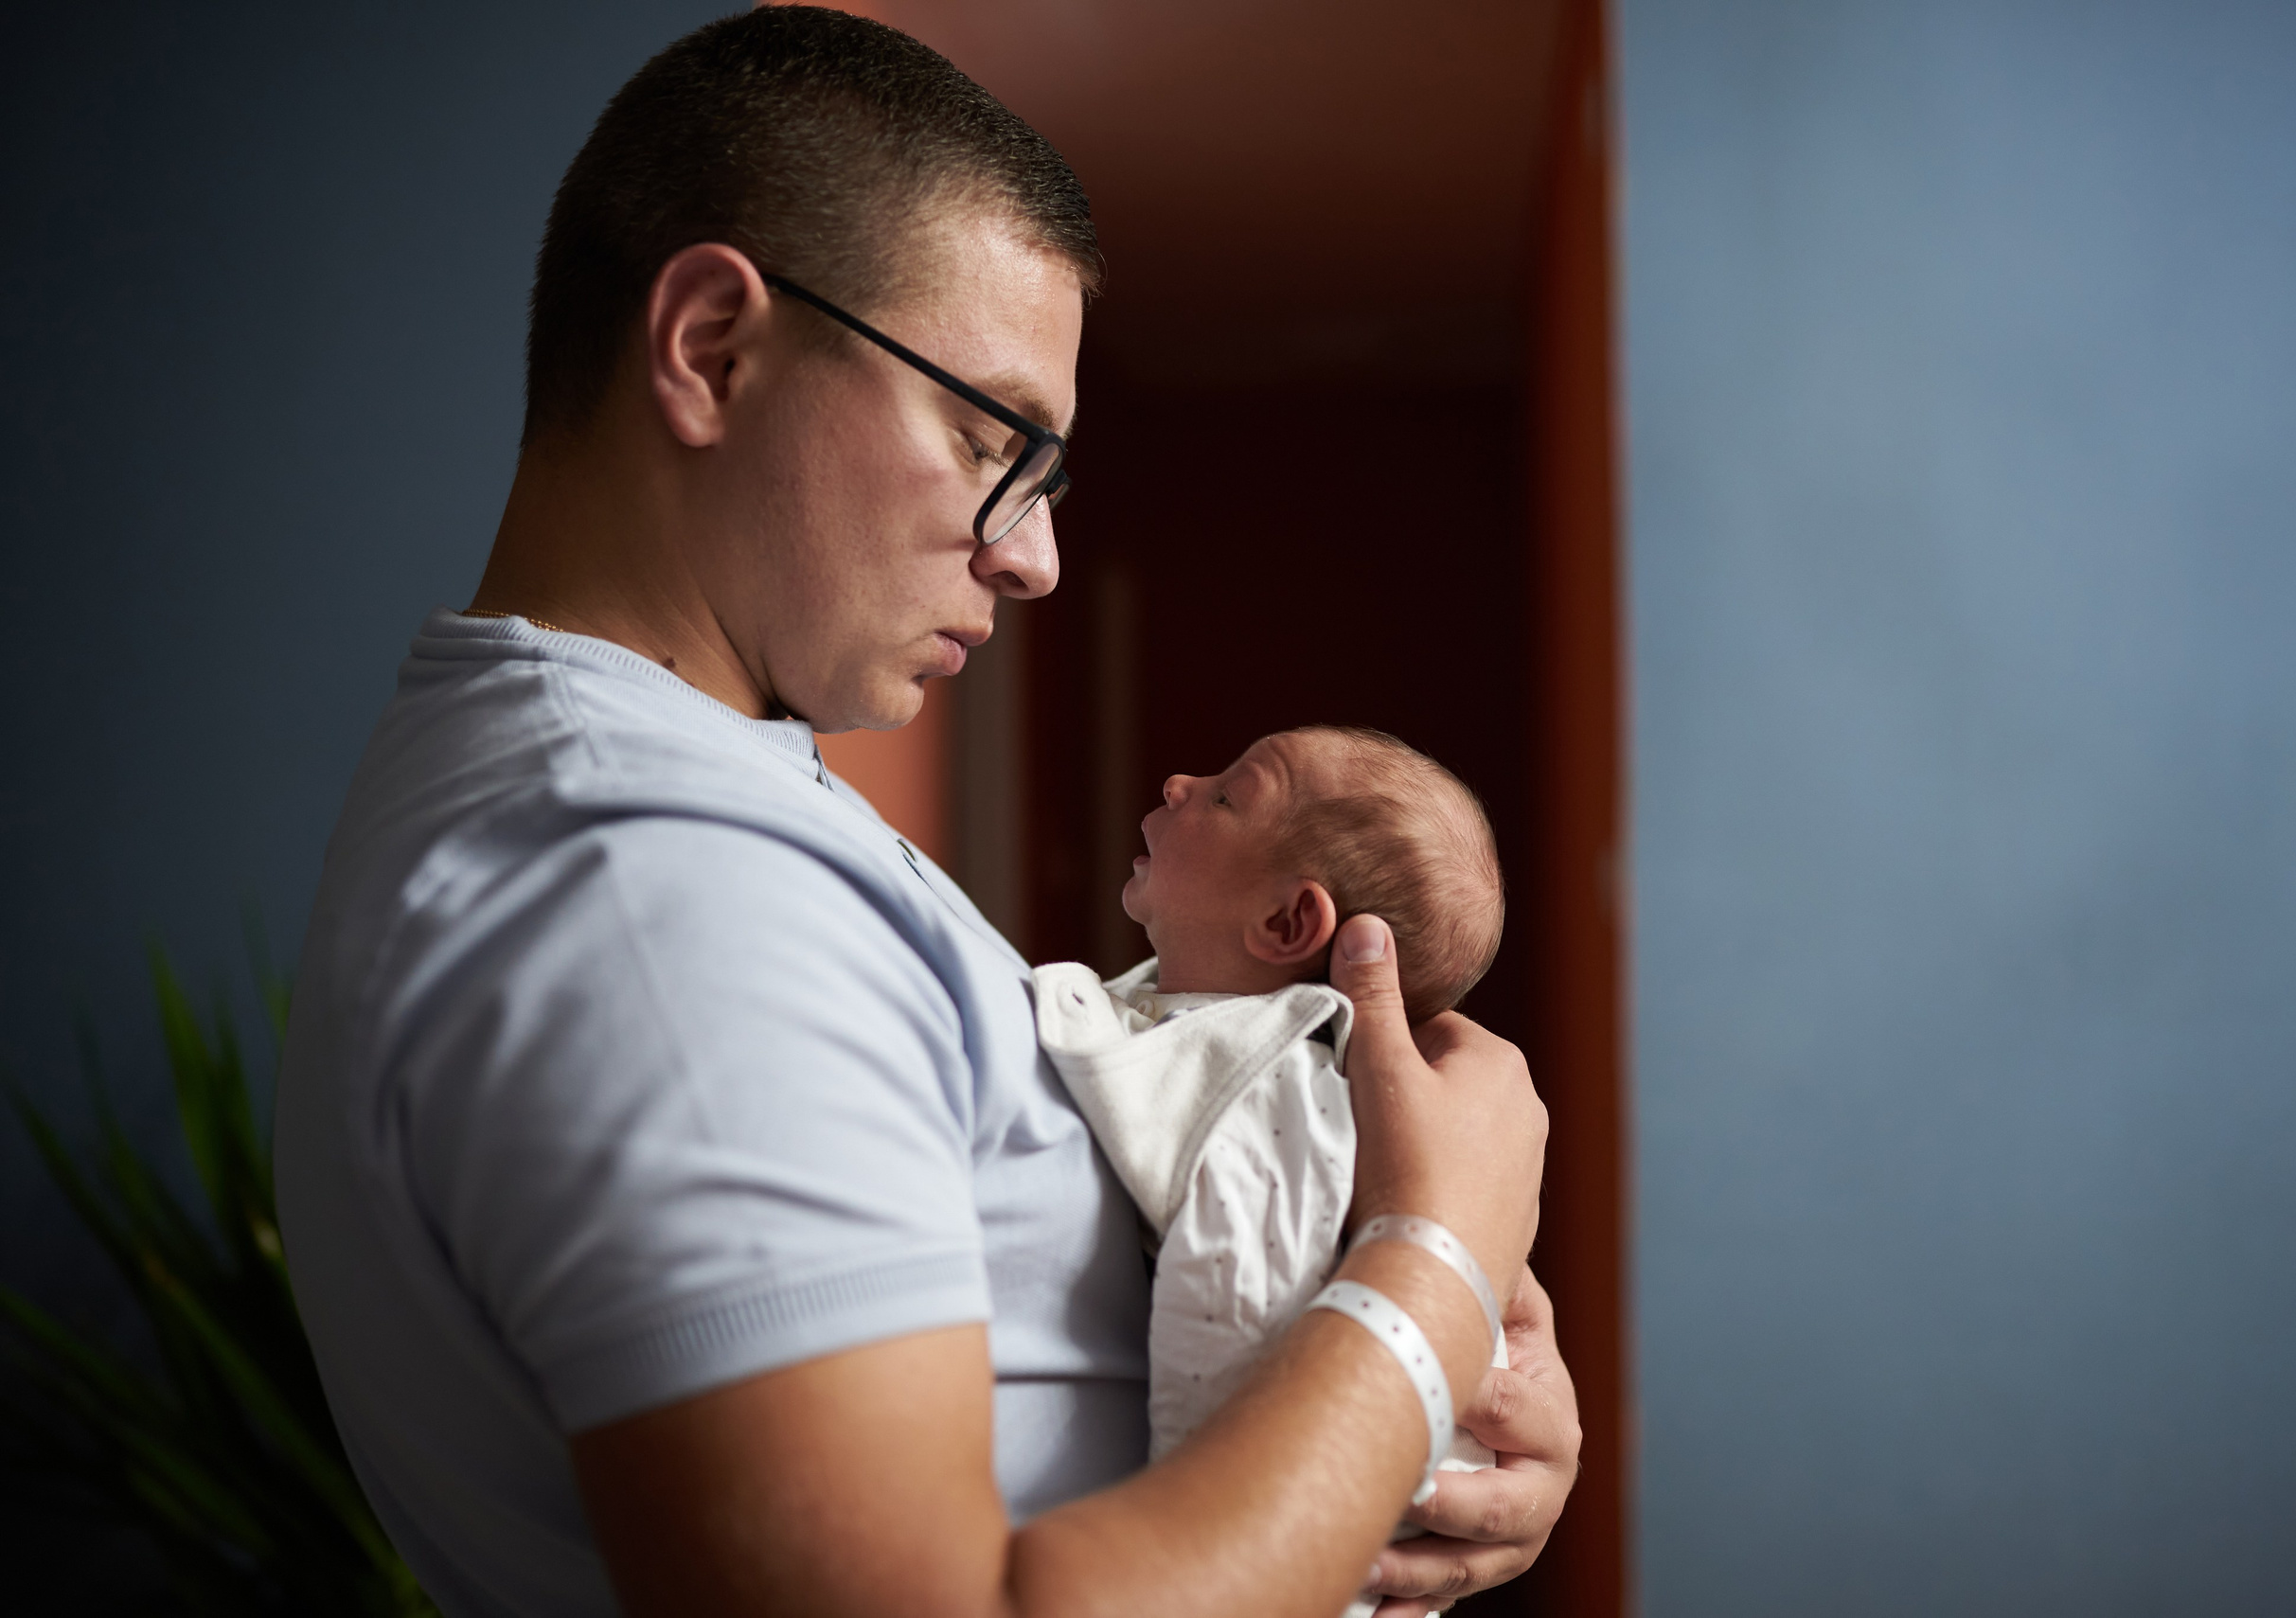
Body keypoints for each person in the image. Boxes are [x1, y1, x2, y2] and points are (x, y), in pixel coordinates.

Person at [274, 10, 1577, 1617]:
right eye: (986, 439)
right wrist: (1436, 1268)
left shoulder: (715, 816)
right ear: (710, 349)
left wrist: (1438, 1411)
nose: (1027, 555)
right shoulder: (652, 898)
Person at [1035, 727, 1510, 1618]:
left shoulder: (1274, 1096)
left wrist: (1192, 1554)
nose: (1180, 780)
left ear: (1288, 922)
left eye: (1227, 794)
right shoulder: (1179, 1033)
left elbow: (1238, 1323)